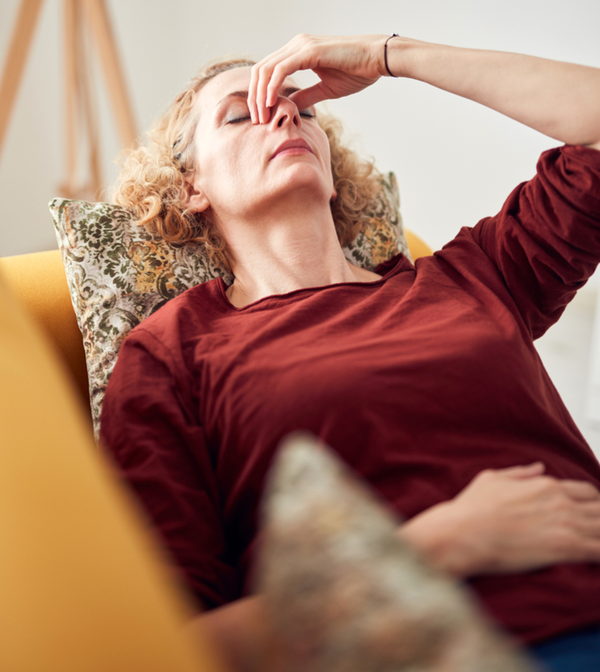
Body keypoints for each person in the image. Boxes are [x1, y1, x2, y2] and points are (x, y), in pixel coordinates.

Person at [100, 33, 600, 672]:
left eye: (301, 107)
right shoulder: (172, 354)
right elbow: (166, 646)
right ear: (189, 185)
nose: (282, 113)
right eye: (239, 112)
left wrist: (392, 57)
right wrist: (441, 546)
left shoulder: (474, 276)